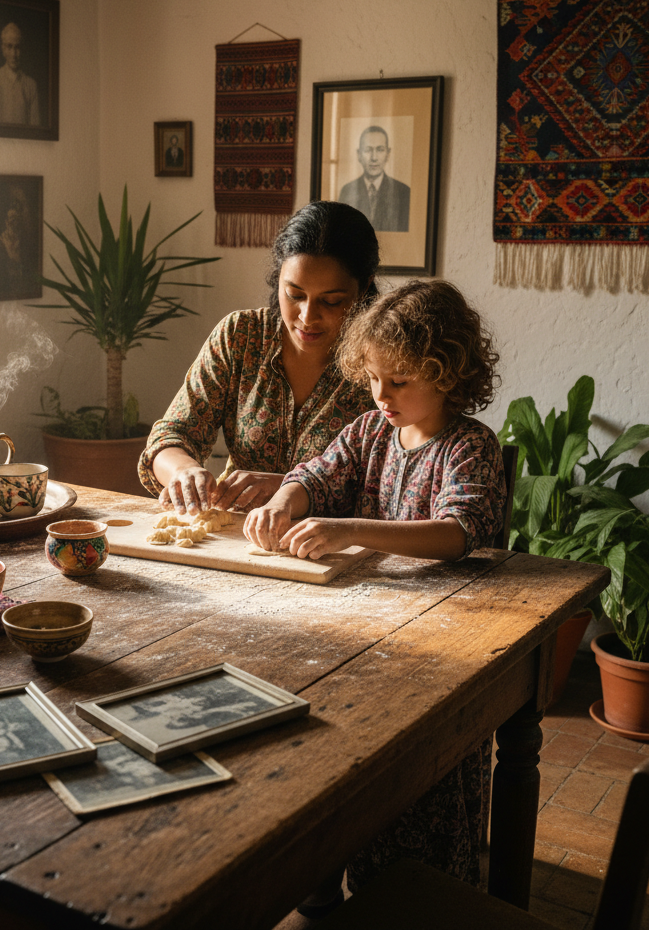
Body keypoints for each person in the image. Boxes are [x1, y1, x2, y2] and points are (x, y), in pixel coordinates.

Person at [244, 279, 506, 901]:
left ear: (447, 374)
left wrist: (349, 529)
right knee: (340, 756)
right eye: (373, 379)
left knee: (420, 788)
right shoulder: (368, 432)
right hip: (370, 636)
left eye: (399, 381)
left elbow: (458, 532)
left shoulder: (469, 448)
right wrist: (287, 496)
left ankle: (417, 900)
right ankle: (326, 878)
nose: (381, 395)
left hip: (446, 648)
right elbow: (315, 470)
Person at [138, 201, 380, 514]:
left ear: (364, 287)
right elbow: (171, 435)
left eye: (331, 301)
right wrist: (183, 470)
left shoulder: (386, 363)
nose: (307, 317)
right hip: (235, 537)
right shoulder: (240, 336)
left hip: (333, 546)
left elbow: (391, 488)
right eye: (294, 294)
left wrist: (290, 488)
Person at [337, 125, 411, 232]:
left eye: (380, 150)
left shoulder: (403, 192)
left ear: (388, 154)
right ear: (359, 155)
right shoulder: (347, 190)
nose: (374, 158)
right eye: (368, 150)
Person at [0, 21, 40, 126]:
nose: (14, 54)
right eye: (9, 47)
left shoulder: (31, 85)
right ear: (3, 49)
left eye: (17, 47)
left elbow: (35, 128)